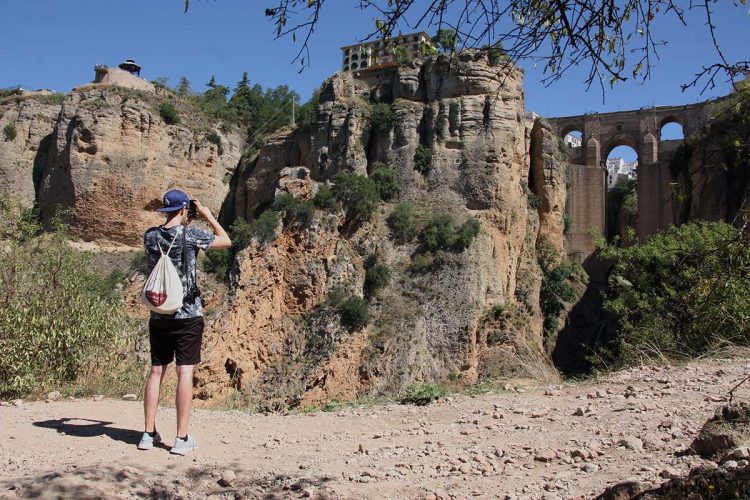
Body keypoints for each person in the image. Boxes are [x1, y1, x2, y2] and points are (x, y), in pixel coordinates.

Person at [138, 189, 231, 454]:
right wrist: (207, 215)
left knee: (157, 371)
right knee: (184, 372)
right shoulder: (191, 235)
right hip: (188, 315)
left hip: (159, 314)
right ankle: (181, 439)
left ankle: (147, 434)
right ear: (183, 210)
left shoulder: (150, 236)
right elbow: (226, 241)